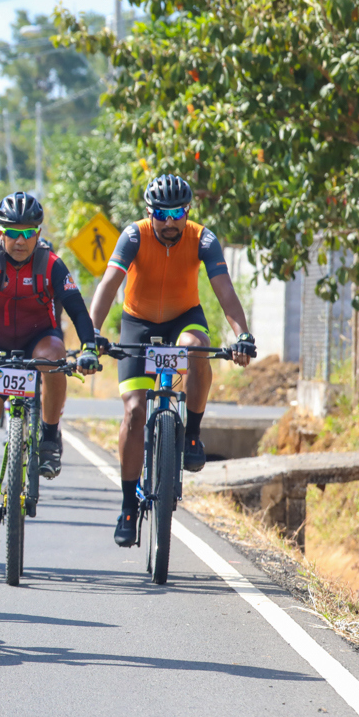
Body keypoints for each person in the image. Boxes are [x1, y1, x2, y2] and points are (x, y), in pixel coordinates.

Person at [87, 174, 256, 547]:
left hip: (184, 317)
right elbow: (109, 283)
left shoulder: (203, 239)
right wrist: (91, 334)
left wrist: (242, 334)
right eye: (161, 214)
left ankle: (192, 434)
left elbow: (224, 289)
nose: (169, 222)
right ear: (149, 212)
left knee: (196, 348)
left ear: (188, 212)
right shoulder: (133, 235)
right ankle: (128, 506)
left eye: (177, 213)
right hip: (138, 323)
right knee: (134, 412)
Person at [0, 192, 99, 549]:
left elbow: (77, 309)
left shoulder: (51, 264)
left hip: (38, 339)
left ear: (38, 234)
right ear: (1, 233)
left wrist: (89, 348)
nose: (21, 240)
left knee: (55, 357)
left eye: (28, 233)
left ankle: (50, 437)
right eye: (13, 233)